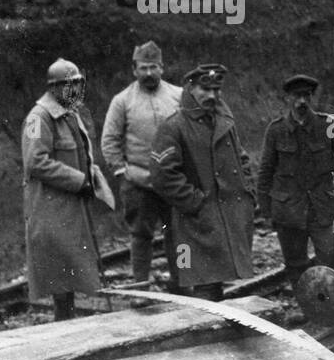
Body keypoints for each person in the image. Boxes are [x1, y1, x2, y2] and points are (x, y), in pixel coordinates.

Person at [257, 75, 334, 323]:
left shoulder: (329, 125)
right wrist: (266, 210)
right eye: (297, 96)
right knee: (295, 264)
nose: (302, 101)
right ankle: (306, 308)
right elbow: (265, 173)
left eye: (306, 96)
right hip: (288, 211)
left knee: (328, 259)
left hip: (320, 208)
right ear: (288, 99)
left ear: (312, 98)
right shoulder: (276, 131)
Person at [150, 64, 256, 301]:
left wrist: (249, 191)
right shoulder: (174, 126)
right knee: (204, 286)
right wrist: (196, 202)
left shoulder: (223, 120)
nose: (212, 96)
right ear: (190, 88)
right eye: (205, 89)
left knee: (218, 283)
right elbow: (162, 175)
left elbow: (241, 157)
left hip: (225, 215)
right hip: (196, 221)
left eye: (216, 90)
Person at [22, 59, 104, 321]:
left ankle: (68, 330)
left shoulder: (70, 113)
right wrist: (79, 180)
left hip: (70, 211)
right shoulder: (38, 117)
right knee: (60, 283)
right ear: (53, 88)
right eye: (69, 86)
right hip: (51, 213)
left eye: (79, 84)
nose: (76, 91)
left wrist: (92, 177)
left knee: (69, 280)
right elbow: (36, 162)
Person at [101, 41, 182, 287]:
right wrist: (121, 171)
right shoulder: (122, 101)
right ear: (134, 69)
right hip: (138, 181)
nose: (148, 73)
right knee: (140, 235)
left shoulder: (178, 96)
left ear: (162, 68)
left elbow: (189, 134)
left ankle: (183, 280)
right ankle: (141, 285)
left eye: (153, 67)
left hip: (174, 180)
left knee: (179, 234)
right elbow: (109, 140)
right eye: (143, 68)